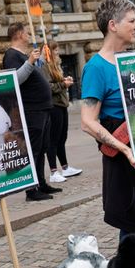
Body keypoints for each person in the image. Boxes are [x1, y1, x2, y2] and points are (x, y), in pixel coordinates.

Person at [81, 0, 135, 240]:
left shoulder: (134, 60)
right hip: (124, 160)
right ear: (113, 25)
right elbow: (88, 121)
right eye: (131, 21)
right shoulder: (96, 68)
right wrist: (125, 150)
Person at [3, 22, 61, 201]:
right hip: (31, 110)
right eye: (27, 33)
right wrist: (30, 62)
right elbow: (15, 80)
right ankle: (31, 190)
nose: (29, 35)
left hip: (42, 108)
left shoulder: (23, 55)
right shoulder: (11, 56)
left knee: (42, 147)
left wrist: (39, 59)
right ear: (20, 34)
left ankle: (41, 183)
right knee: (34, 149)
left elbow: (32, 74)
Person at [44, 41, 82, 183]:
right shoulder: (45, 67)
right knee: (53, 139)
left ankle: (65, 167)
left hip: (62, 104)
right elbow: (48, 87)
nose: (58, 53)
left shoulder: (56, 65)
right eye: (55, 51)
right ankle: (54, 171)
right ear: (49, 52)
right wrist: (63, 84)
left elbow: (57, 83)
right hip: (54, 105)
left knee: (62, 137)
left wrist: (65, 80)